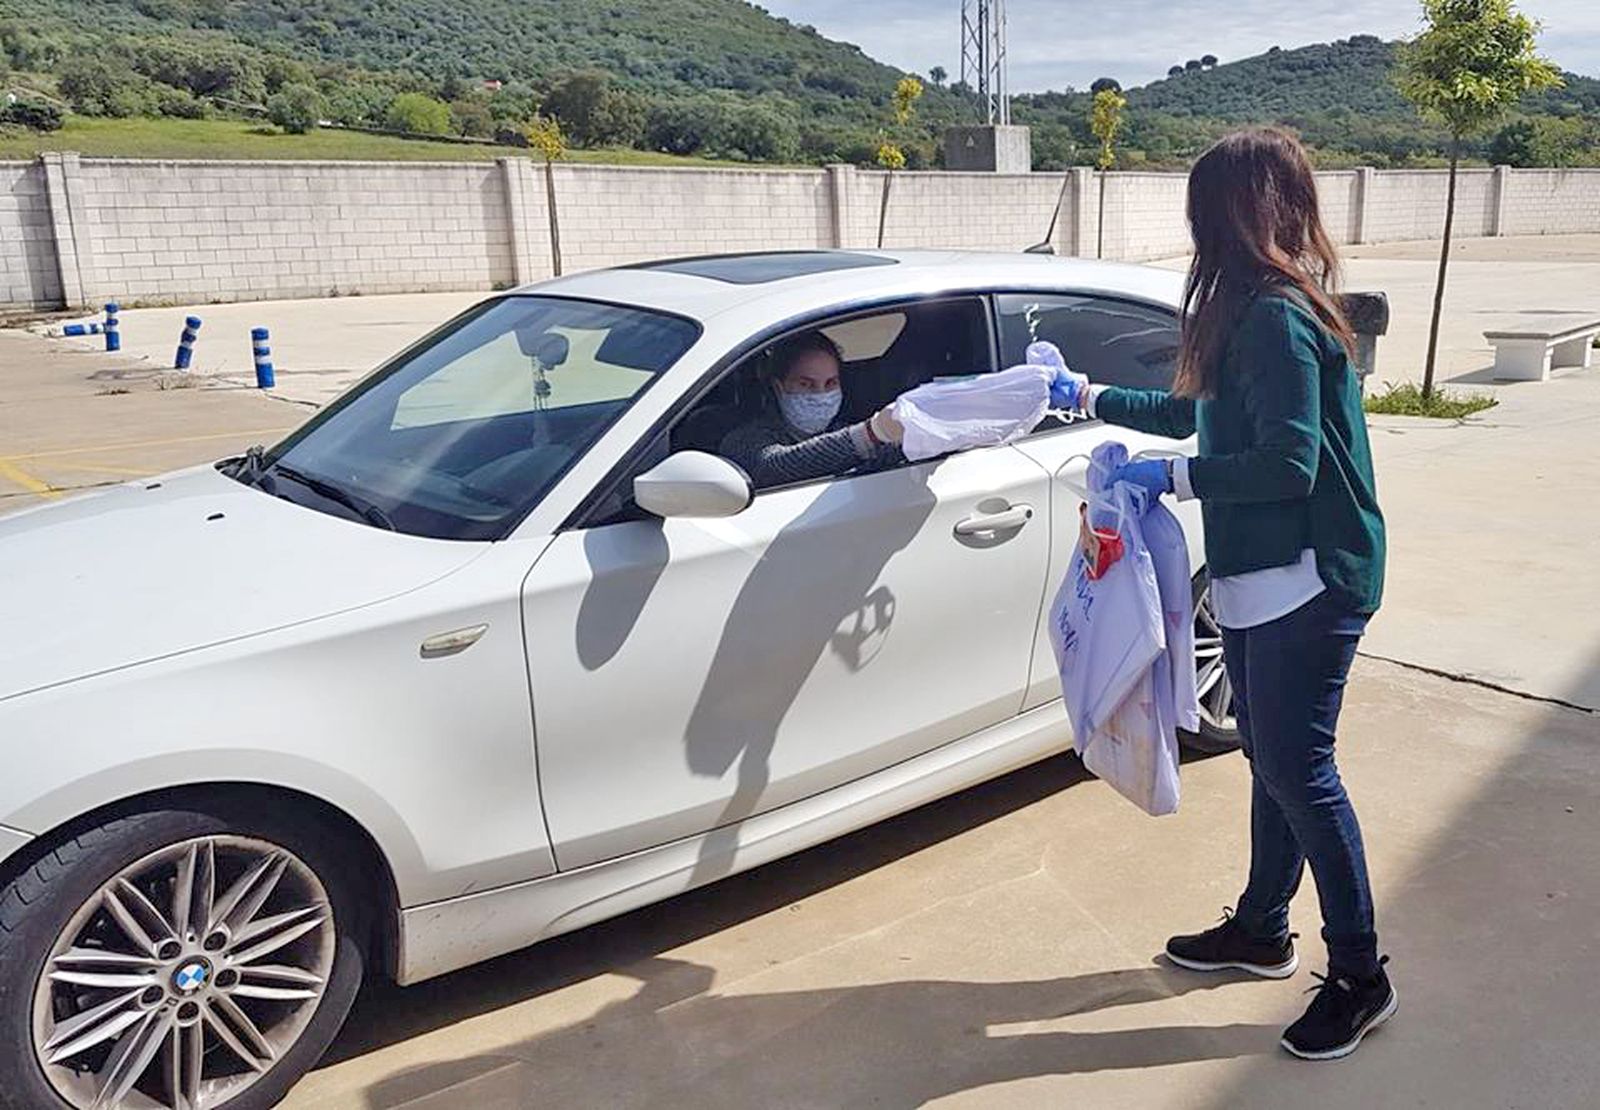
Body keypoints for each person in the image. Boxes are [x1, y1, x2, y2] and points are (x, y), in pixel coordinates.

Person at [1055, 127, 1392, 1061]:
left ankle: (1362, 976)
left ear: (1238, 215)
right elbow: (1200, 414)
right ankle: (1261, 928)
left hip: (1312, 578)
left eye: (1203, 211)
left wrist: (1179, 482)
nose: (1195, 230)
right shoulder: (1244, 309)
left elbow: (1287, 463)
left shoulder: (1279, 313)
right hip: (1258, 577)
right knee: (1273, 764)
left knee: (1303, 774)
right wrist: (1085, 396)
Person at [720, 332, 905, 488]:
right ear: (779, 387)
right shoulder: (742, 440)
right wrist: (872, 434)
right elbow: (774, 466)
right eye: (806, 384)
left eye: (831, 383)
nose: (821, 394)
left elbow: (889, 459)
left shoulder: (841, 431)